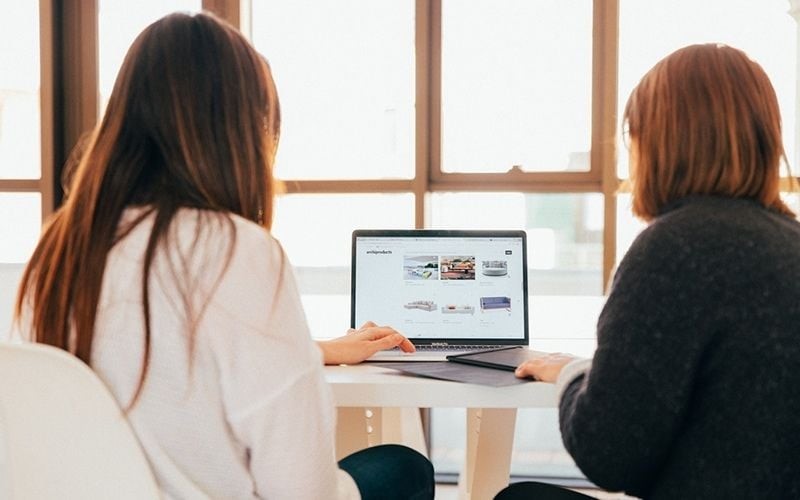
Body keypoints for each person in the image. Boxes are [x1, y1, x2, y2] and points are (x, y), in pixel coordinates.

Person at [13, 11, 433, 500]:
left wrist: (314, 349)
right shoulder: (237, 250)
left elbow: (161, 367)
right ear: (241, 131)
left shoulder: (59, 249)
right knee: (404, 467)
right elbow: (302, 489)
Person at [498, 44, 800, 499]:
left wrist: (573, 375)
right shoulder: (790, 241)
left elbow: (610, 455)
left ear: (657, 140)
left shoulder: (676, 247)